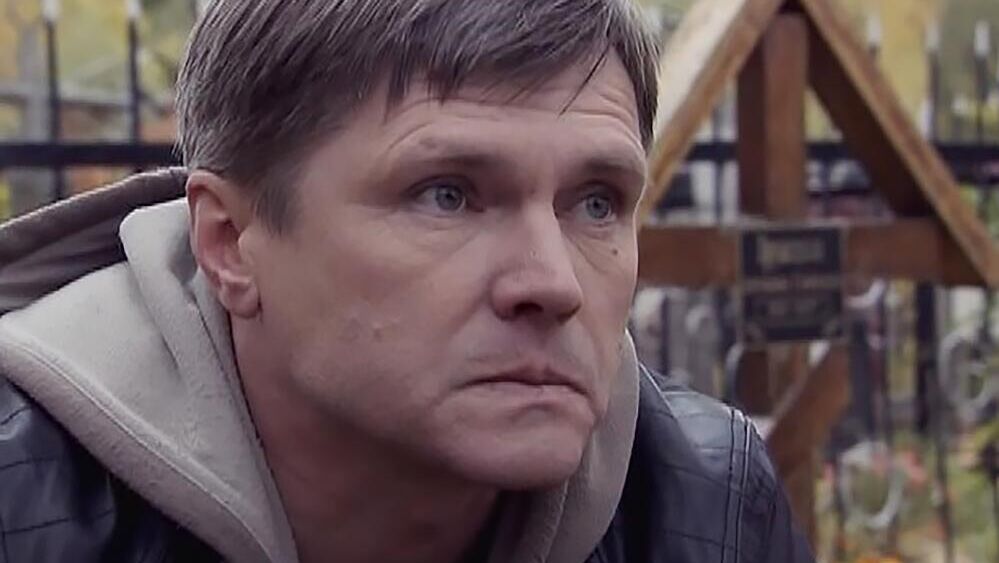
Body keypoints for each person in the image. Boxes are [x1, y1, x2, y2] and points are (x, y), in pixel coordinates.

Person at [0, 1, 813, 561]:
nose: (552, 281)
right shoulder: (24, 500)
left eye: (595, 202)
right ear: (230, 244)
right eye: (446, 194)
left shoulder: (705, 508)